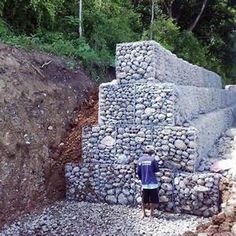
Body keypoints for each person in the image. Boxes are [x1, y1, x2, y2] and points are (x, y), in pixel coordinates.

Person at [137, 145, 159, 218]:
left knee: (144, 198)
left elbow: (138, 171)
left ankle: (143, 213)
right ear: (151, 153)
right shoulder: (153, 160)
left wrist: (141, 179)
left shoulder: (140, 160)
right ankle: (151, 214)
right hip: (153, 182)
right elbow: (156, 170)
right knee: (153, 199)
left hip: (144, 182)